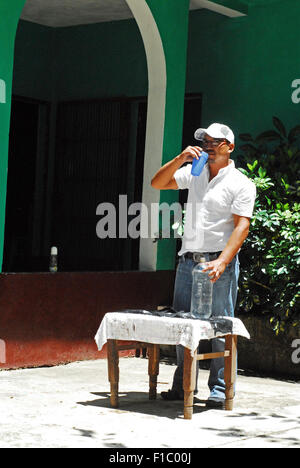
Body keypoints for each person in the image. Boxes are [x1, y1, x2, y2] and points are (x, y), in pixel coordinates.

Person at [151, 123, 256, 409]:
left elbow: (241, 227)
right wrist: (179, 159)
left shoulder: (241, 183)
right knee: (184, 324)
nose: (209, 145)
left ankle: (220, 390)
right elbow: (157, 183)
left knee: (221, 326)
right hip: (188, 261)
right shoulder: (194, 174)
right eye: (205, 141)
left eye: (216, 142)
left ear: (229, 147)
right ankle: (182, 385)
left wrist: (223, 261)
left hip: (217, 261)